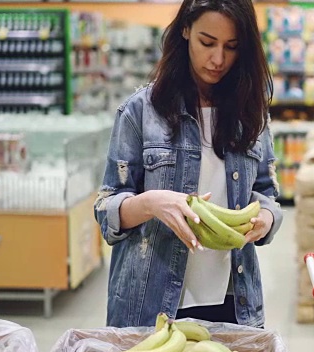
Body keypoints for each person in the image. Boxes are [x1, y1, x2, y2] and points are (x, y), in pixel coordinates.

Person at [93, 0, 283, 329]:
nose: (218, 59)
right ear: (185, 31)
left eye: (232, 47)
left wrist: (266, 216)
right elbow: (106, 208)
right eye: (207, 42)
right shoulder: (140, 112)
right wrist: (150, 203)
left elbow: (266, 193)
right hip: (151, 302)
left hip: (232, 300)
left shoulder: (251, 115)